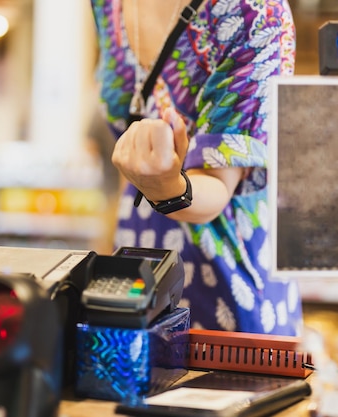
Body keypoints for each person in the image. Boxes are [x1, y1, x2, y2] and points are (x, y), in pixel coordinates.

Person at [89, 0, 302, 335]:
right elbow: (127, 159)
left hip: (224, 287)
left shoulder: (253, 11)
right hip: (136, 281)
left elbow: (217, 185)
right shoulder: (107, 5)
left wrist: (166, 187)